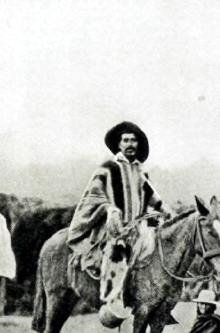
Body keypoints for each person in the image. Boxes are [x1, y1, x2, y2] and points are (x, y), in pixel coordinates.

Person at [67, 121, 172, 283]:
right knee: (115, 255)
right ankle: (112, 297)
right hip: (115, 227)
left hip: (139, 226)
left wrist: (165, 209)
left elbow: (153, 197)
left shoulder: (139, 171)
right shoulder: (108, 168)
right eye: (126, 140)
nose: (130, 144)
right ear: (119, 144)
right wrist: (109, 209)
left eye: (133, 140)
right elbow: (93, 196)